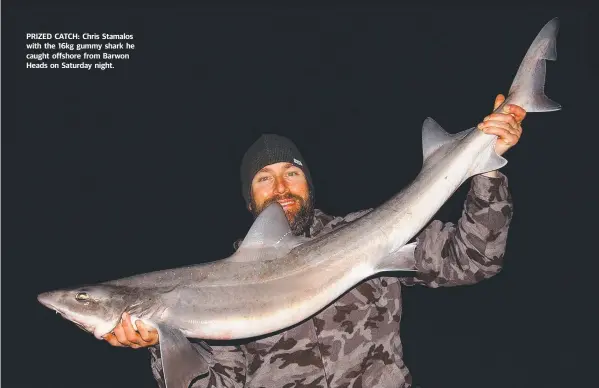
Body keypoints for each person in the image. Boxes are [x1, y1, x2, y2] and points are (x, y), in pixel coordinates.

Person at [104, 94, 526, 387]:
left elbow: (474, 260)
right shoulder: (214, 291)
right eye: (263, 179)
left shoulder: (365, 232)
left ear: (308, 182)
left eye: (291, 173)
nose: (280, 188)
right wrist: (161, 346)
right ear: (250, 199)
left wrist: (485, 171)